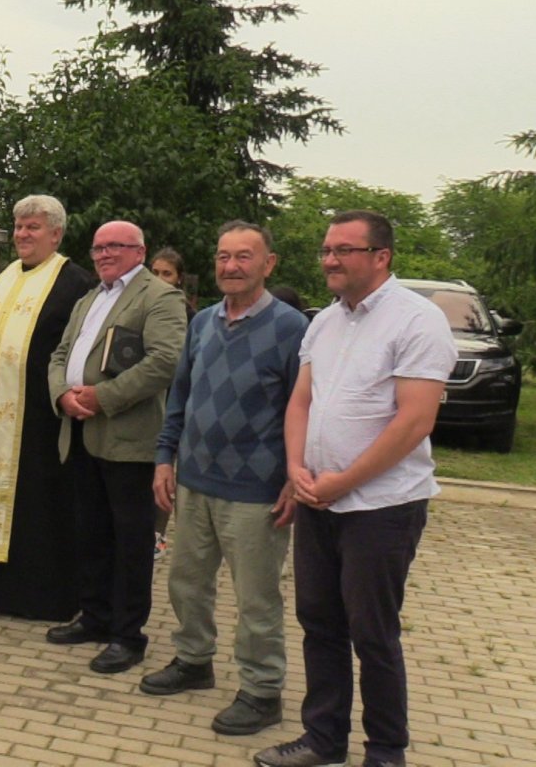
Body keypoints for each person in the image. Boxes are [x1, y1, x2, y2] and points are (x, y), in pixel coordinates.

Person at [253, 211, 456, 767]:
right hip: (318, 499)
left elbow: (414, 422)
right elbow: (300, 401)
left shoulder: (417, 321)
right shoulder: (324, 322)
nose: (329, 260)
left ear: (381, 257)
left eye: (344, 250)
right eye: (325, 250)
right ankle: (323, 740)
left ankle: (386, 751)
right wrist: (297, 468)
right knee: (319, 623)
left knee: (373, 633)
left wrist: (344, 480)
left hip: (381, 508)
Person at [142, 221, 309, 736]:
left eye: (243, 257)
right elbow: (181, 397)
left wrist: (292, 478)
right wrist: (165, 457)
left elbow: (306, 409)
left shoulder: (292, 329)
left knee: (257, 597)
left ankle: (262, 692)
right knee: (186, 582)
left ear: (268, 264)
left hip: (257, 492)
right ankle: (194, 661)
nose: (231, 266)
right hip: (193, 481)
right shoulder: (203, 322)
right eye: (222, 257)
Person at [46, 220, 187, 674]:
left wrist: (102, 397)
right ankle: (95, 617)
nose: (105, 254)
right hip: (82, 432)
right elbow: (60, 355)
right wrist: (62, 395)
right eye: (98, 247)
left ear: (139, 251)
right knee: (91, 533)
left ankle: (128, 636)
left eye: (116, 247)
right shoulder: (90, 297)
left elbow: (165, 361)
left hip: (129, 440)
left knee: (130, 542)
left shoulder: (159, 297)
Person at [0, 195, 95, 618]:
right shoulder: (1, 276)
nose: (22, 234)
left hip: (38, 419)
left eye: (33, 227)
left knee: (37, 511)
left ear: (56, 233)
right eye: (18, 227)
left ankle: (35, 594)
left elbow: (77, 350)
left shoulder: (75, 282)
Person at [148, 246, 196, 557]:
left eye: (167, 273)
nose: (160, 279)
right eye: (155, 273)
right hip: (148, 399)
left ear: (178, 279)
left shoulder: (191, 316)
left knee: (165, 468)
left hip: (176, 399)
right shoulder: (143, 306)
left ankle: (158, 534)